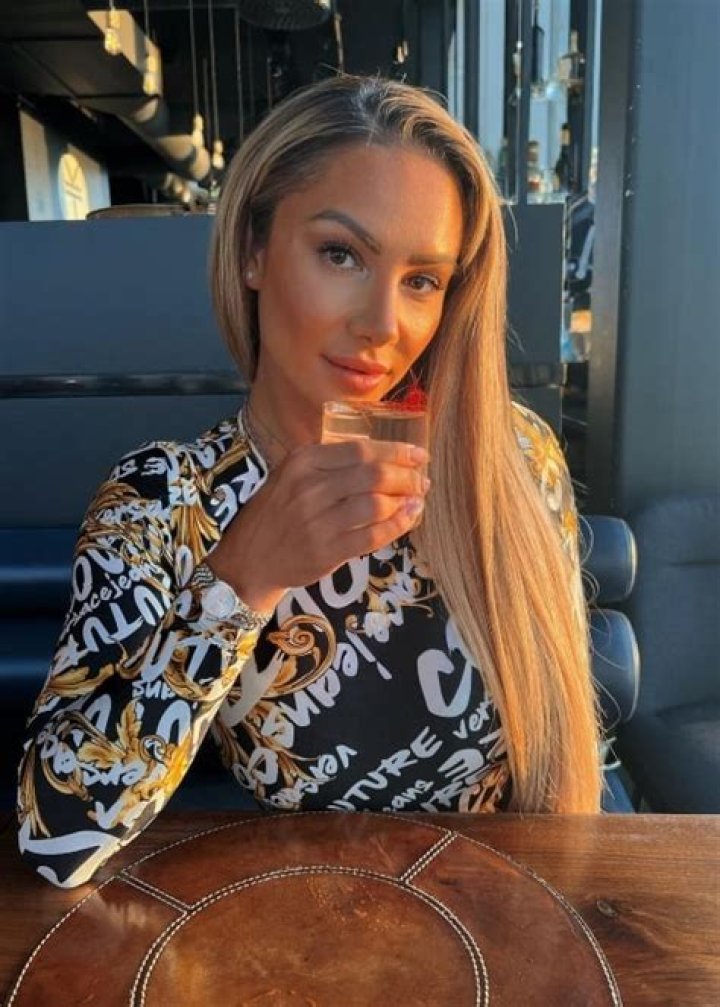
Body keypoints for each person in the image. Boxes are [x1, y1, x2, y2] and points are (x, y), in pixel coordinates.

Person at [17, 74, 601, 889]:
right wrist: (241, 579)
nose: (382, 324)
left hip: (503, 913)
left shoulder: (512, 456)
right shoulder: (166, 500)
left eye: (422, 280)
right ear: (253, 250)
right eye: (341, 254)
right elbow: (55, 838)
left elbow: (568, 772)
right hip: (306, 925)